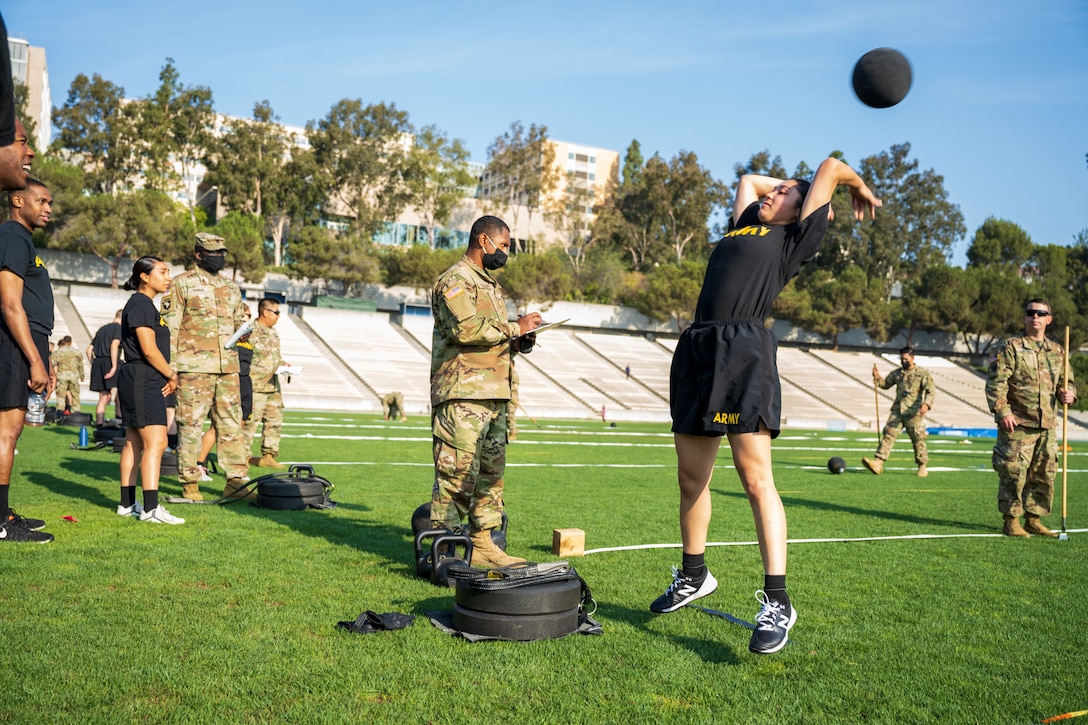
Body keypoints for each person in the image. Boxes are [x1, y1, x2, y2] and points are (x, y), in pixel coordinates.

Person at [652, 157, 881, 655]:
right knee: (691, 477)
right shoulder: (744, 225)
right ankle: (695, 574)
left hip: (742, 349)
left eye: (784, 193)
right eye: (771, 190)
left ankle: (778, 600)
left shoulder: (794, 239)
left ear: (805, 210)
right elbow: (747, 181)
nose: (769, 194)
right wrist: (777, 188)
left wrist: (856, 187)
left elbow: (830, 166)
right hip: (697, 347)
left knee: (755, 480)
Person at [429, 215, 541, 568]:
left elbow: (493, 336)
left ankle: (482, 544)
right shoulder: (455, 281)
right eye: (504, 245)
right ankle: (444, 553)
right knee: (457, 476)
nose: (506, 253)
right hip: (462, 395)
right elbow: (465, 329)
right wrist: (513, 327)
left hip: (494, 395)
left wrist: (519, 339)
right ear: (483, 240)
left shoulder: (490, 285)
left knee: (490, 478)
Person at [162, 232, 248, 500]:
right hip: (193, 368)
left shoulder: (231, 287)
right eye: (213, 253)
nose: (219, 257)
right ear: (199, 254)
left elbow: (238, 321)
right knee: (190, 425)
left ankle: (236, 481)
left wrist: (244, 331)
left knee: (232, 425)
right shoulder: (180, 284)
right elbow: (170, 330)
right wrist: (171, 369)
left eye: (222, 253)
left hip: (228, 369)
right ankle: (190, 483)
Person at [985, 298, 1075, 538]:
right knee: (1013, 474)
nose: (1035, 317)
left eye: (1041, 313)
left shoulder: (1057, 351)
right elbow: (996, 384)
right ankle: (1011, 521)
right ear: (1024, 318)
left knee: (1044, 475)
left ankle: (1033, 519)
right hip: (1018, 425)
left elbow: (1067, 384)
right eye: (1031, 313)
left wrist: (1070, 395)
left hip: (1046, 426)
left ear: (1049, 319)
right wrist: (1003, 412)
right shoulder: (1011, 347)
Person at [0, 178, 53, 543]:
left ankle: (2, 512)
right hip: (15, 345)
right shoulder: (13, 236)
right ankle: (0, 523)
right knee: (6, 431)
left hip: (28, 343)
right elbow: (10, 304)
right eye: (42, 200)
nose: (48, 208)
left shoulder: (24, 240)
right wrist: (35, 360)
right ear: (18, 200)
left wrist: (42, 357)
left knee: (11, 430)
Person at [116, 257, 184, 524]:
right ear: (144, 276)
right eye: (163, 272)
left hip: (138, 377)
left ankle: (127, 504)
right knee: (158, 442)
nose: (168, 277)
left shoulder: (143, 305)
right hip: (143, 377)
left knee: (133, 441)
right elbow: (148, 349)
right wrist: (171, 374)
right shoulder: (141, 304)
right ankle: (151, 509)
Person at [862, 347, 935, 478]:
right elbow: (885, 384)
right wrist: (877, 377)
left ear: (912, 358)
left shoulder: (922, 374)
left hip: (914, 412)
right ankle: (878, 463)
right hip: (898, 410)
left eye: (906, 359)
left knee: (918, 439)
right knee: (888, 435)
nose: (904, 361)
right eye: (902, 359)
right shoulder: (897, 373)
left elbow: (930, 390)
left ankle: (922, 466)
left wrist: (927, 404)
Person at [246, 298, 287, 470]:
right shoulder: (249, 331)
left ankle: (269, 456)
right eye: (276, 312)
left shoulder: (273, 333)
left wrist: (283, 365)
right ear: (265, 312)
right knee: (249, 425)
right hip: (256, 386)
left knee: (274, 423)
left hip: (273, 386)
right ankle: (243, 457)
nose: (279, 316)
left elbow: (275, 358)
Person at [87, 310, 122, 427]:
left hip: (98, 362)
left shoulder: (102, 329)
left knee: (103, 397)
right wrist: (114, 366)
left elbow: (88, 351)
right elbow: (114, 345)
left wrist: (94, 364)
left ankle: (99, 425)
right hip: (109, 361)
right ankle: (119, 420)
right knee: (120, 393)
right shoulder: (118, 329)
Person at [52, 335, 84, 414]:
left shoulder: (58, 352)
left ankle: (60, 411)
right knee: (75, 394)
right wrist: (82, 375)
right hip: (73, 375)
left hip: (62, 375)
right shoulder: (76, 352)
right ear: (70, 342)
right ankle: (76, 411)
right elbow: (80, 365)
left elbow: (52, 363)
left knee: (61, 395)